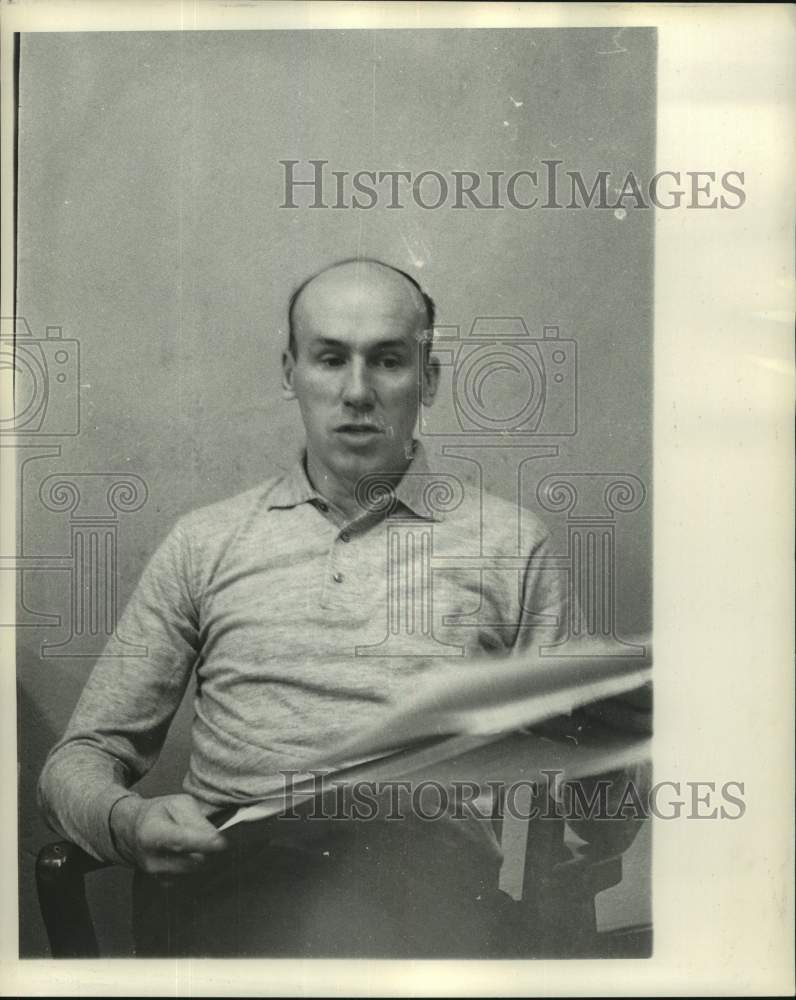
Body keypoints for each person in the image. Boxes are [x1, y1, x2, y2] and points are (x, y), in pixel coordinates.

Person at [38, 258, 581, 957]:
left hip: (427, 886)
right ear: (289, 371)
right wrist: (129, 822)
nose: (357, 391)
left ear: (431, 378)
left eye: (387, 360)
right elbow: (77, 760)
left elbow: (575, 775)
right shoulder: (207, 541)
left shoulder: (510, 543)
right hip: (239, 884)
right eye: (330, 359)